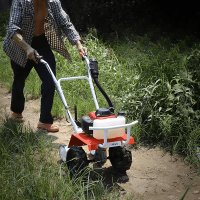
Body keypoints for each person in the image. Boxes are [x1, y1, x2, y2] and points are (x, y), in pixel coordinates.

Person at [3, 0, 87, 132]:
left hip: (41, 42)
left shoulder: (53, 2)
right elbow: (12, 29)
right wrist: (27, 48)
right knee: (19, 79)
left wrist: (78, 44)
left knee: (50, 80)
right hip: (20, 44)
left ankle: (44, 121)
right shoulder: (20, 2)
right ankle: (17, 111)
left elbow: (65, 23)